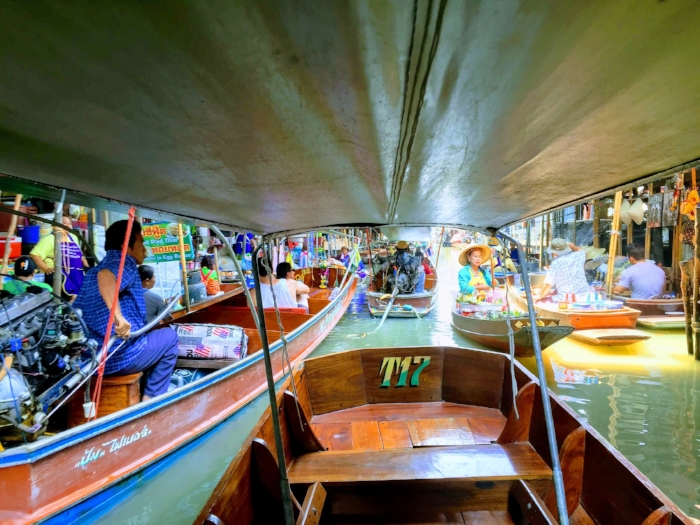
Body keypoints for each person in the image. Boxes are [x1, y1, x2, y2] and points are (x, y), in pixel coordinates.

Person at [74, 221, 179, 401]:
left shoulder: (93, 270)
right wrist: (119, 317)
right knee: (171, 338)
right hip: (119, 357)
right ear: (126, 246)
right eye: (141, 244)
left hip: (91, 358)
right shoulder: (124, 263)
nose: (144, 250)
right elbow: (105, 277)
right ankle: (150, 400)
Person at [30, 216, 89, 299]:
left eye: (70, 223)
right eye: (64, 223)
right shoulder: (50, 239)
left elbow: (80, 255)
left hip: (77, 272)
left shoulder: (73, 237)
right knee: (70, 292)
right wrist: (46, 268)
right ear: (55, 226)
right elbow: (34, 254)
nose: (68, 226)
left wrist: (86, 267)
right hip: (61, 273)